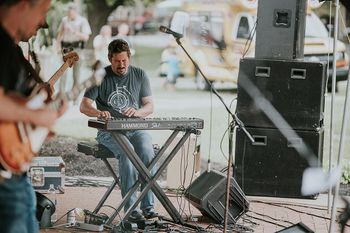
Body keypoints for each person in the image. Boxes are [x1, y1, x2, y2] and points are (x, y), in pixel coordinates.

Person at [0, 0, 67, 233]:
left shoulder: (13, 51)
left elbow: (17, 107)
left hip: (13, 170)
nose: (43, 21)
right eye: (42, 11)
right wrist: (35, 116)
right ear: (23, 5)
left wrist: (42, 118)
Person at [80, 39, 156, 222]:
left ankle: (149, 207)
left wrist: (138, 112)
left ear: (129, 58)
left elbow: (150, 106)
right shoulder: (100, 76)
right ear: (109, 59)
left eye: (124, 61)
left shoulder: (139, 74)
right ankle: (131, 211)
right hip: (109, 132)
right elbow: (83, 106)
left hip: (135, 128)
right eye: (117, 61)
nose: (121, 65)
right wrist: (99, 112)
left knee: (147, 152)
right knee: (128, 155)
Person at [56, 2, 91, 93]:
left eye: (71, 12)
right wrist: (57, 46)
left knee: (76, 73)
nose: (69, 14)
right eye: (68, 12)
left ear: (75, 12)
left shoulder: (82, 21)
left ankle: (74, 95)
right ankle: (61, 94)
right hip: (66, 48)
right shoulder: (64, 20)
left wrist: (74, 31)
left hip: (77, 49)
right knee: (63, 71)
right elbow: (60, 34)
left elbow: (86, 37)